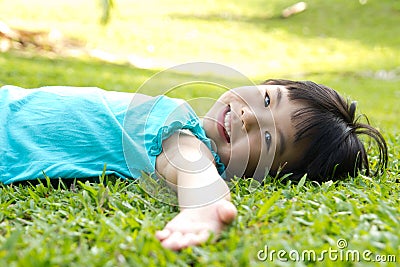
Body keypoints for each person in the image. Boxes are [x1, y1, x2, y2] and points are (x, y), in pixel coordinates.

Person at [0, 79, 387, 250]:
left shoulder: (185, 139)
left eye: (269, 139)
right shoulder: (174, 114)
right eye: (268, 100)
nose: (250, 117)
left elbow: (190, 165)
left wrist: (203, 209)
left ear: (265, 172)